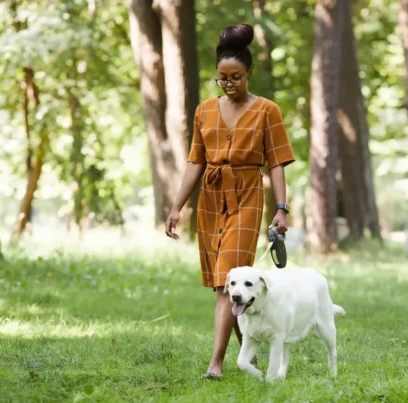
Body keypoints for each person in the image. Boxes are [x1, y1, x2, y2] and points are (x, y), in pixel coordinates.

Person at [164, 23, 295, 379]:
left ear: (249, 73)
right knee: (225, 286)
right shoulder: (204, 110)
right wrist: (178, 206)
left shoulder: (268, 110)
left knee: (227, 283)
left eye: (235, 77)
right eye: (222, 78)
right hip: (210, 197)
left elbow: (277, 162)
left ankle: (216, 365)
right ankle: (247, 353)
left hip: (248, 195)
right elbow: (195, 161)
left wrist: (281, 208)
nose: (229, 84)